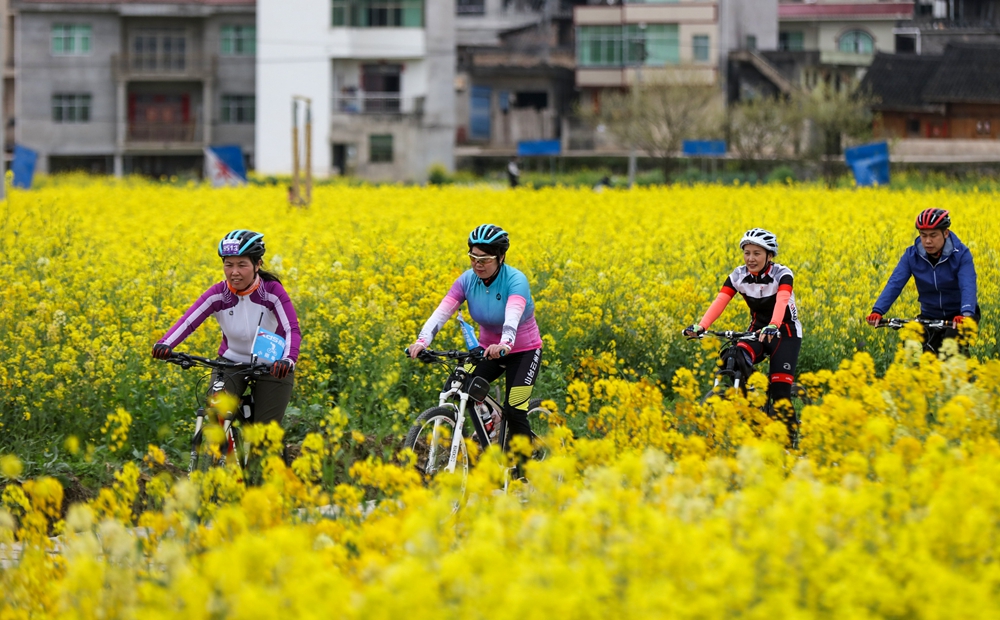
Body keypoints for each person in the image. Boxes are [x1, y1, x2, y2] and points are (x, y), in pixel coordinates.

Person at [408, 224, 543, 450]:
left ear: (501, 257)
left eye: (484, 259)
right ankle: (490, 421)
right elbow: (443, 311)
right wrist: (422, 341)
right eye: (473, 257)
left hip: (523, 351)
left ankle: (523, 475)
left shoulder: (515, 280)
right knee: (457, 385)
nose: (477, 264)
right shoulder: (467, 280)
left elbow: (513, 316)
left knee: (515, 408)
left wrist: (505, 343)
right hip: (488, 350)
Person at [152, 230, 301, 427]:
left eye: (242, 265)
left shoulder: (271, 292)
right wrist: (165, 344)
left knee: (265, 435)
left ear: (258, 265)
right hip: (231, 363)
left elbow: (292, 329)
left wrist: (287, 359)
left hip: (273, 366)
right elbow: (188, 322)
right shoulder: (219, 294)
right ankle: (223, 455)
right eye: (228, 265)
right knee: (217, 417)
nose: (234, 272)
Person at [683, 228, 803, 443]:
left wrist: (774, 325)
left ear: (769, 256)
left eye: (757, 253)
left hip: (785, 332)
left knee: (780, 389)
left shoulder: (782, 274)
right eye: (747, 252)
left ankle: (790, 438)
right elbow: (721, 301)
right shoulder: (738, 275)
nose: (750, 258)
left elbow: (782, 300)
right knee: (735, 355)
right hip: (757, 330)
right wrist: (701, 326)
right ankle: (752, 410)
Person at [866, 208, 979, 353]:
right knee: (913, 351)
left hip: (959, 314)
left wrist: (966, 314)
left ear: (946, 233)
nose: (927, 241)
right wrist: (878, 310)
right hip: (930, 315)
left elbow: (967, 285)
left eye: (933, 235)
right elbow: (895, 283)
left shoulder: (961, 254)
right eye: (923, 235)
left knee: (952, 349)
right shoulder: (911, 255)